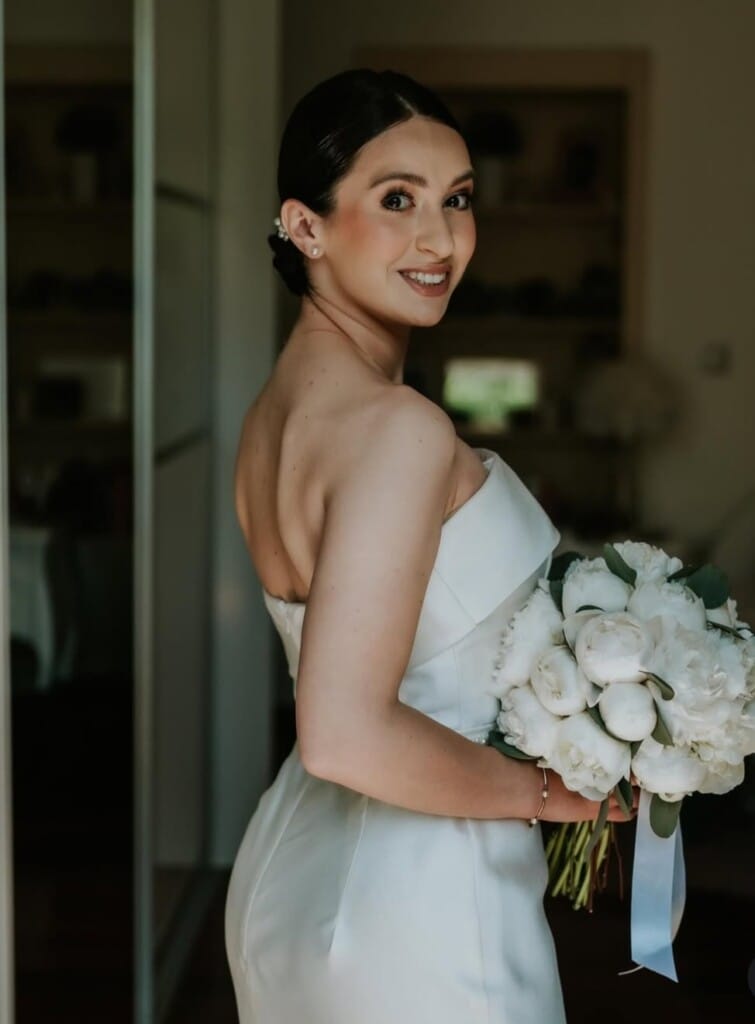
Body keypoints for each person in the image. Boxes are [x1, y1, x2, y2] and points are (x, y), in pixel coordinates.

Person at [224, 67, 636, 1023]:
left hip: (296, 869)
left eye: (456, 199)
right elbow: (343, 733)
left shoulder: (273, 415)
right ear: (306, 226)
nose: (440, 240)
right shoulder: (397, 428)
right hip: (418, 901)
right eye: (396, 199)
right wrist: (558, 793)